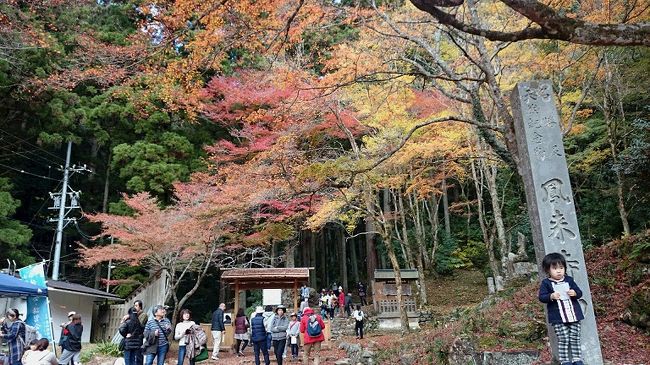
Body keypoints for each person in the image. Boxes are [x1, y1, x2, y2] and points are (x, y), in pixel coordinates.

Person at [538, 253, 585, 365]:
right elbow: (542, 297)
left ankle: (577, 359)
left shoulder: (569, 280)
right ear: (547, 270)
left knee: (575, 338)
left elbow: (579, 293)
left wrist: (574, 293)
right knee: (563, 339)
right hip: (558, 317)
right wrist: (551, 296)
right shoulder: (546, 283)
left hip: (573, 315)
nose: (559, 271)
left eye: (561, 268)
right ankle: (565, 361)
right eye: (555, 268)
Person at [133, 301, 147, 365]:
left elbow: (139, 324)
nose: (135, 307)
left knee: (139, 353)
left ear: (140, 306)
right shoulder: (134, 314)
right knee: (134, 353)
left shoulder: (143, 315)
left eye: (136, 306)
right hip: (133, 336)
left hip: (139, 336)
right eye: (134, 306)